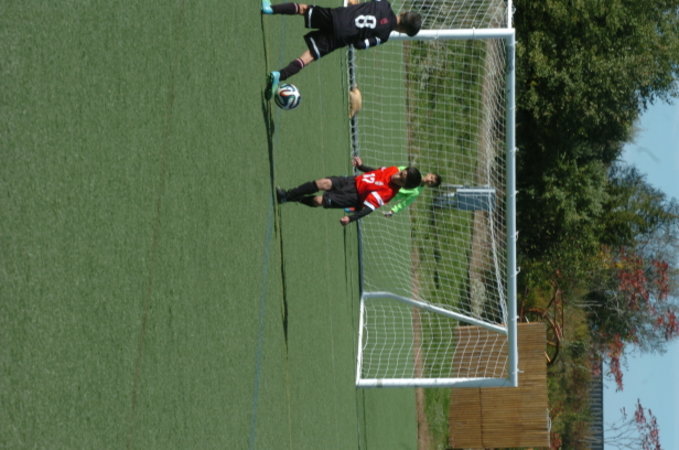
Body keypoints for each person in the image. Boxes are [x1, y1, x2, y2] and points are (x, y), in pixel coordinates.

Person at [261, 0, 422, 98]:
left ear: (404, 12)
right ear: (403, 32)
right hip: (341, 37)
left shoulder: (384, 5)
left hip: (337, 16)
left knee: (303, 9)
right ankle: (279, 75)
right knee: (308, 57)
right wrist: (356, 33)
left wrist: (356, 7)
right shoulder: (384, 36)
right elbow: (360, 45)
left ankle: (269, 9)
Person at [276, 163, 422, 226]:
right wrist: (361, 166)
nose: (397, 176)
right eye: (401, 173)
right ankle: (286, 195)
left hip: (353, 197)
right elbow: (376, 172)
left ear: (403, 186)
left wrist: (351, 218)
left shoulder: (388, 193)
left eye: (401, 180)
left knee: (318, 201)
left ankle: (296, 198)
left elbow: (368, 209)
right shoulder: (393, 169)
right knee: (323, 183)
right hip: (352, 181)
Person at [351, 156, 441, 216]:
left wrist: (393, 211)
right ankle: (360, 169)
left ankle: (353, 207)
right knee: (370, 180)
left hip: (386, 194)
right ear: (429, 174)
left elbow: (404, 203)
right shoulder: (413, 172)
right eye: (431, 177)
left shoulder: (416, 192)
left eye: (431, 182)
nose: (429, 180)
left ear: (430, 186)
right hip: (386, 181)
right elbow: (398, 170)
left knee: (369, 200)